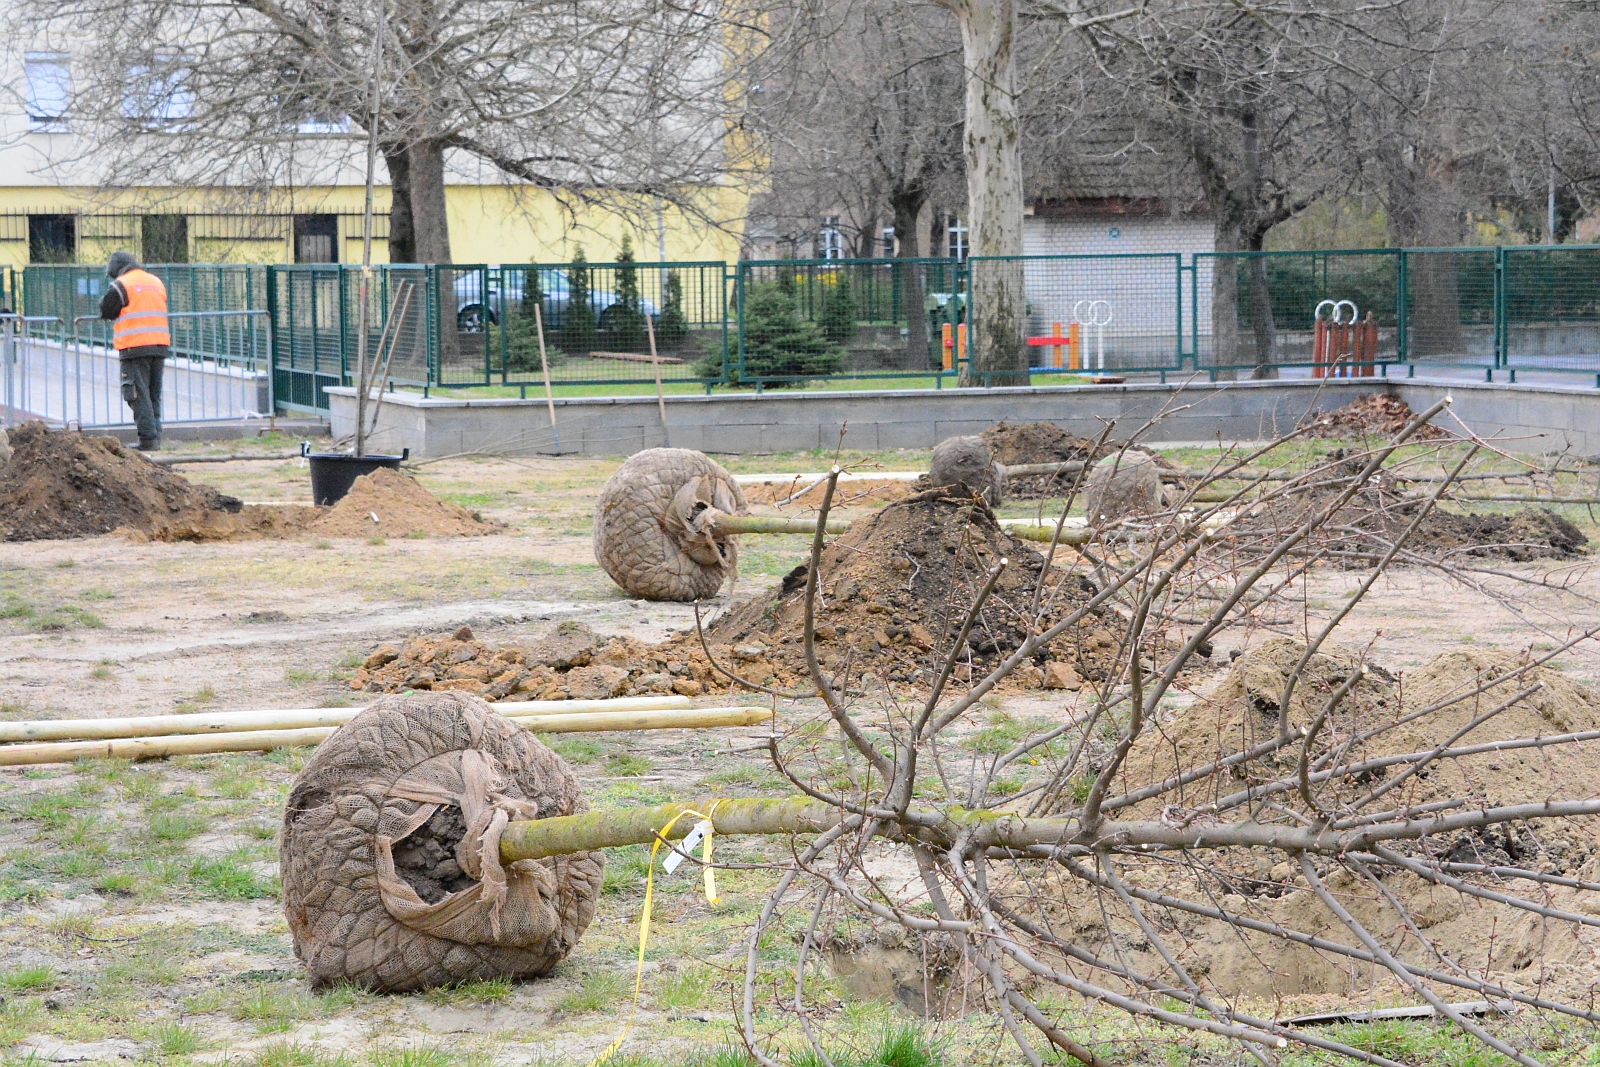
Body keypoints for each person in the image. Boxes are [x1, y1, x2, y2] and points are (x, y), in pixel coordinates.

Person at [100, 250, 170, 451]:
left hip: (135, 346)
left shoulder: (122, 284)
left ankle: (148, 440)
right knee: (153, 394)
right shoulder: (156, 282)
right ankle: (155, 436)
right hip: (159, 344)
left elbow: (106, 309)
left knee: (137, 394)